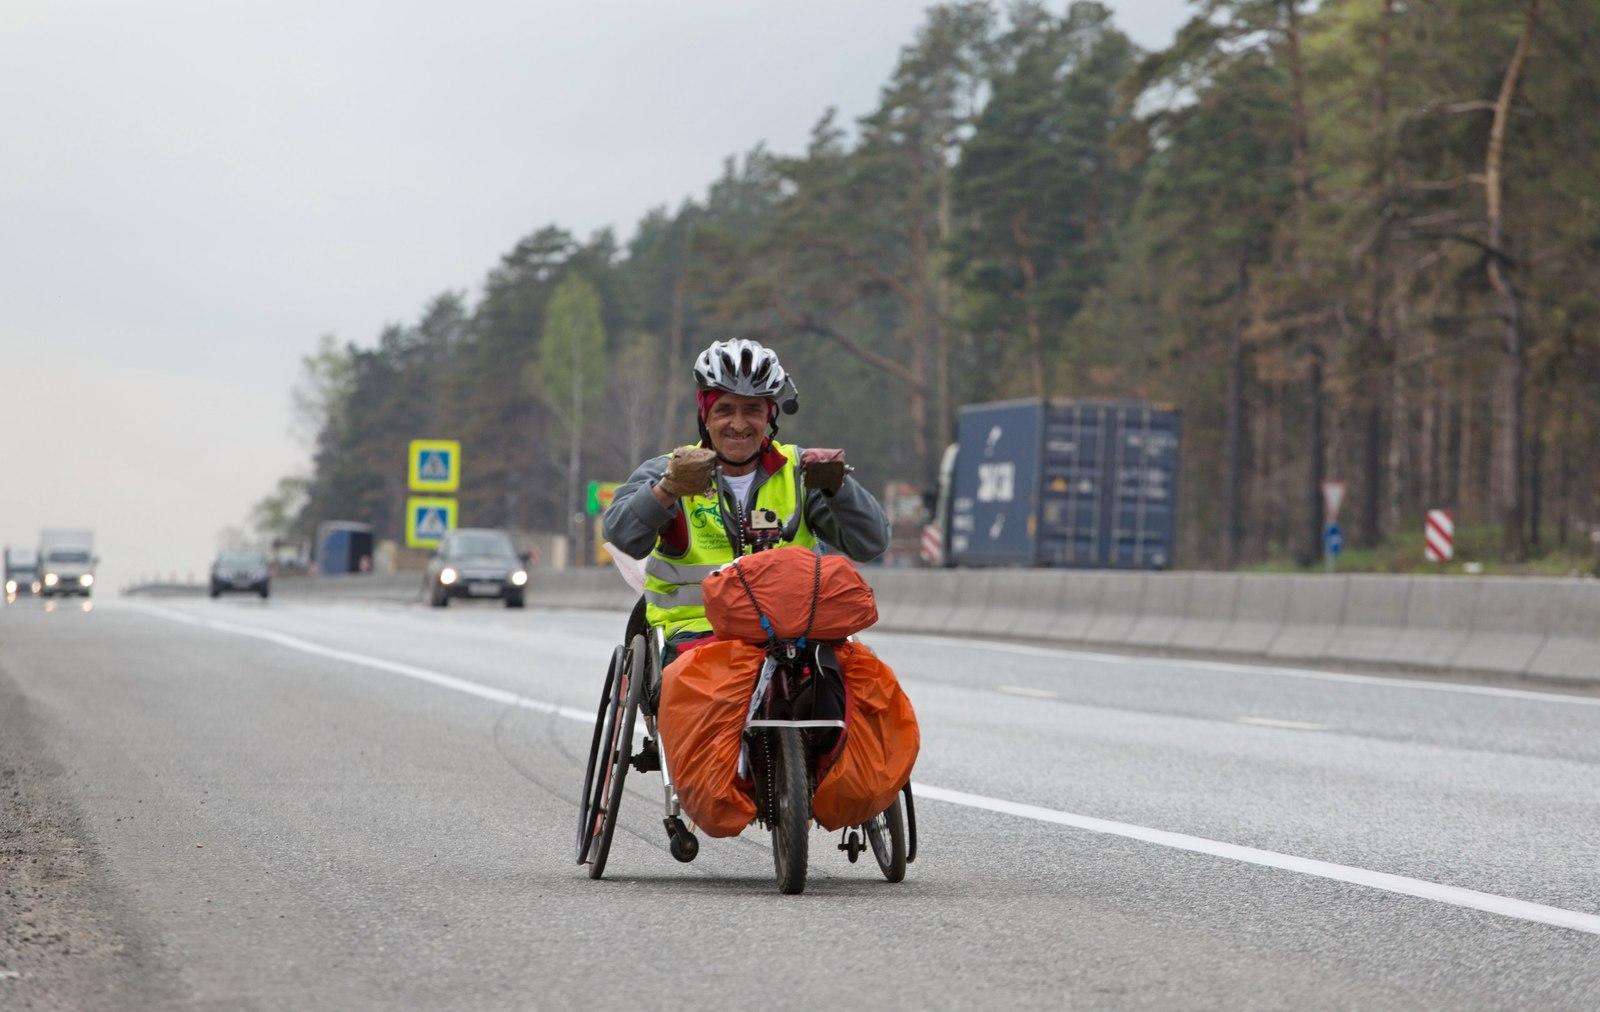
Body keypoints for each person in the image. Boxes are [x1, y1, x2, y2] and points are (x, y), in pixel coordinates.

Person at [603, 338, 890, 659]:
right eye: (725, 410)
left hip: (797, 635)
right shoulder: (666, 470)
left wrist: (839, 489)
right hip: (698, 635)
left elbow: (871, 543)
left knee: (866, 682)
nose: (738, 424)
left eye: (752, 410)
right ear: (705, 415)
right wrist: (666, 490)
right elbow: (622, 536)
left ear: (769, 416)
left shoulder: (801, 471)